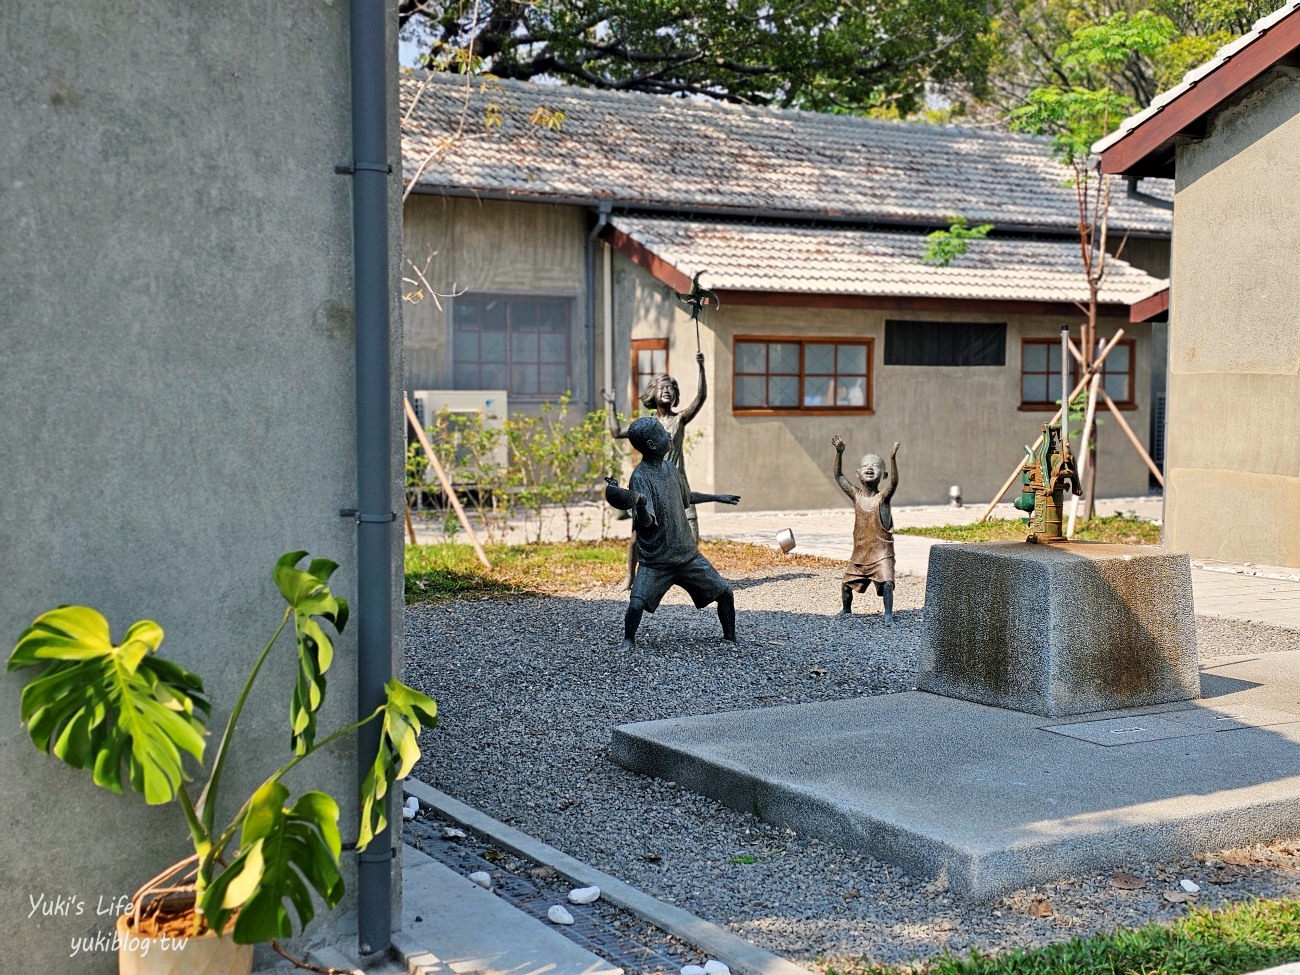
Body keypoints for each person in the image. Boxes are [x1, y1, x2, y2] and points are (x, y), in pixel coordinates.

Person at [605, 417, 740, 652]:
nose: (668, 435)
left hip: (687, 555)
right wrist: (639, 506)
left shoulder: (670, 468)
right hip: (657, 562)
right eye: (662, 433)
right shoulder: (641, 477)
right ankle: (628, 640)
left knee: (725, 593)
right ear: (652, 444)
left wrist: (717, 497)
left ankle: (730, 637)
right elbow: (646, 523)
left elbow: (686, 497)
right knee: (636, 603)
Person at [605, 350, 709, 590]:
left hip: (677, 486)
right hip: (651, 485)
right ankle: (630, 577)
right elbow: (616, 431)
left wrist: (701, 368)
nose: (667, 390)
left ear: (676, 396)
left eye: (671, 388)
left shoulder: (680, 419)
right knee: (637, 535)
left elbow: (701, 397)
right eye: (662, 386)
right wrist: (610, 406)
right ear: (651, 392)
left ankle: (689, 579)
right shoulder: (647, 425)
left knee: (690, 536)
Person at [831, 436, 901, 624]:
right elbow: (838, 476)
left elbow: (894, 483)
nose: (869, 468)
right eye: (865, 466)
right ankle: (846, 610)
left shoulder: (883, 498)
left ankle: (888, 614)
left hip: (881, 554)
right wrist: (839, 453)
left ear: (884, 475)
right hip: (860, 554)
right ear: (857, 473)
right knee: (846, 585)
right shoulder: (856, 496)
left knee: (887, 583)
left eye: (875, 466)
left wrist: (892, 459)